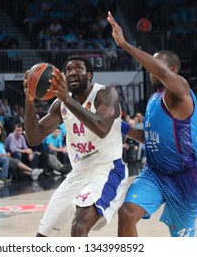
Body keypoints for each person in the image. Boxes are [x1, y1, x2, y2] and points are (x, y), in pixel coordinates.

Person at [107, 11, 197, 237]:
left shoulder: (180, 90)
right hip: (155, 173)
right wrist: (117, 125)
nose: (151, 68)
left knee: (182, 242)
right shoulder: (154, 99)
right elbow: (149, 138)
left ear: (173, 70)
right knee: (127, 213)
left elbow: (158, 70)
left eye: (157, 63)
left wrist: (124, 44)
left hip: (185, 177)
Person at [24, 55, 129, 237]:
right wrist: (29, 102)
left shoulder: (106, 94)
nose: (72, 73)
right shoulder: (60, 104)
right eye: (68, 70)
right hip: (78, 172)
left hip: (107, 169)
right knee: (43, 236)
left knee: (79, 225)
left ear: (89, 75)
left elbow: (102, 128)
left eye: (78, 69)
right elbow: (34, 138)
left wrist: (67, 99)